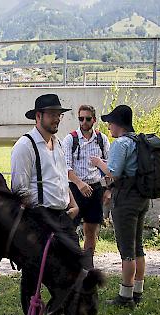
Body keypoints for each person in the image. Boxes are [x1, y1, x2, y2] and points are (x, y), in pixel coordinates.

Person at [10, 93, 80, 315]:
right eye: (52, 114)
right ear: (38, 116)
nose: (57, 119)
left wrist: (73, 202)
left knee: (74, 268)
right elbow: (19, 190)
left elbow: (61, 177)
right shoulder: (25, 145)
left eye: (59, 114)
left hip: (63, 216)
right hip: (38, 219)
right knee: (34, 275)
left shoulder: (57, 143)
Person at [90, 105, 148, 308]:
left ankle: (125, 295)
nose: (108, 127)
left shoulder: (120, 144)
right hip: (141, 198)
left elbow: (113, 173)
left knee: (127, 250)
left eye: (110, 123)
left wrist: (98, 162)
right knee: (138, 246)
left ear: (118, 124)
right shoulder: (137, 141)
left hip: (125, 200)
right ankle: (138, 290)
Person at [61, 104, 111, 268]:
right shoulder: (70, 139)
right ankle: (71, 263)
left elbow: (110, 167)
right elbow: (66, 167)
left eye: (87, 119)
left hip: (95, 188)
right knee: (71, 228)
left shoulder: (102, 139)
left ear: (94, 120)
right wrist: (79, 183)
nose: (84, 122)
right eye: (81, 118)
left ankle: (88, 265)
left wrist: (108, 189)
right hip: (75, 188)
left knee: (91, 229)